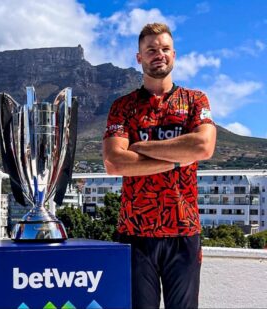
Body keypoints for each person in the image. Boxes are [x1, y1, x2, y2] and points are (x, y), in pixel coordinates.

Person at [103, 23, 216, 309]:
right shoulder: (123, 106)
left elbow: (203, 146)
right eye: (151, 50)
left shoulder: (194, 100)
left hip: (184, 230)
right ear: (139, 58)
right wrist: (179, 157)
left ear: (174, 55)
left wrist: (140, 149)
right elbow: (115, 162)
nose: (159, 54)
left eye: (165, 49)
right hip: (135, 232)